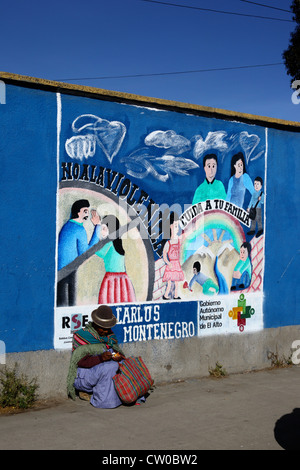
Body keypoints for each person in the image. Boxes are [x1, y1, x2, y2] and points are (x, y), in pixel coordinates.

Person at [67, 305, 126, 408]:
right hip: (84, 376)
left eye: (108, 328)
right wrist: (101, 358)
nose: (106, 331)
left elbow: (117, 352)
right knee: (110, 367)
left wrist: (117, 356)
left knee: (122, 364)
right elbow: (79, 362)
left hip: (101, 372)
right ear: (95, 324)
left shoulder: (109, 337)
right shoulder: (82, 336)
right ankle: (102, 399)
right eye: (103, 328)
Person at [57, 199, 101, 306]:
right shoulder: (79, 229)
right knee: (69, 304)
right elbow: (86, 252)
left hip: (61, 270)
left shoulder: (67, 226)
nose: (87, 214)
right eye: (85, 211)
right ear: (78, 212)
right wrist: (98, 226)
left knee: (62, 303)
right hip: (69, 270)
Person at [95, 215, 136, 304]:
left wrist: (97, 238)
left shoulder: (109, 242)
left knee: (110, 300)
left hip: (111, 278)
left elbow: (99, 252)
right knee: (121, 298)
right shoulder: (117, 243)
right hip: (123, 278)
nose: (101, 232)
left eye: (104, 229)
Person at [162, 212, 184, 300]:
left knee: (177, 283)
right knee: (170, 283)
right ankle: (166, 295)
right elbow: (164, 255)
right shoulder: (168, 243)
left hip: (177, 264)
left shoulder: (179, 240)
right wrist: (168, 263)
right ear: (170, 226)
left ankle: (176, 296)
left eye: (178, 226)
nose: (177, 228)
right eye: (175, 226)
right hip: (171, 265)